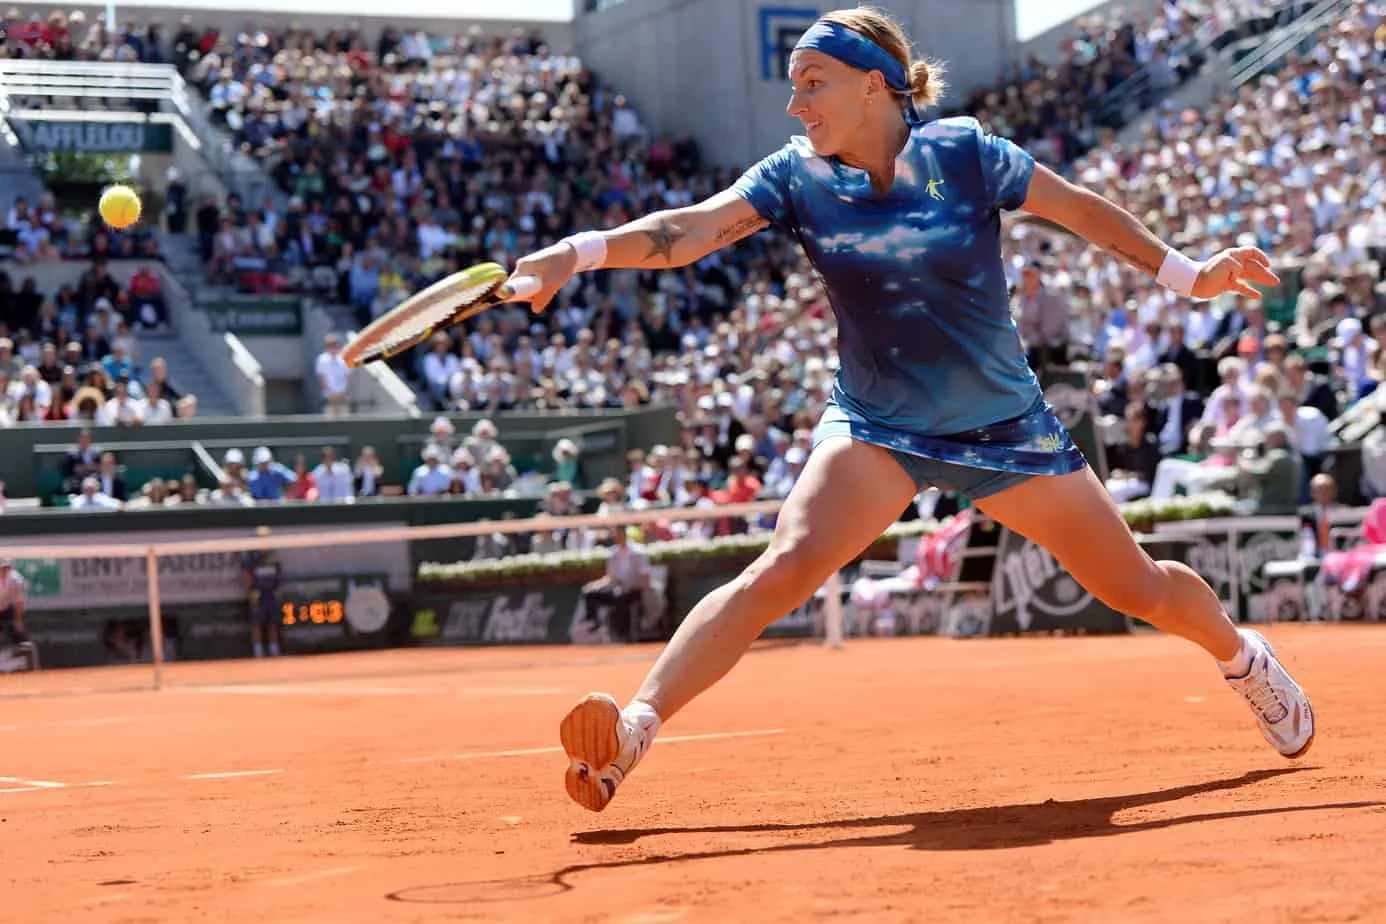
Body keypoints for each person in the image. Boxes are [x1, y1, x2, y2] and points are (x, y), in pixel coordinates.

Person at [506, 7, 1312, 813]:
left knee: (1136, 587)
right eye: (794, 89)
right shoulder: (794, 177)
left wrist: (1191, 275)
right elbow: (687, 232)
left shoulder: (964, 152)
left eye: (812, 85)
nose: (797, 106)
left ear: (874, 86)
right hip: (876, 425)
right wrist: (574, 254)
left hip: (1003, 426)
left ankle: (1242, 657)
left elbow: (1081, 210)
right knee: (782, 569)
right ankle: (631, 735)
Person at [241, 528, 283, 658]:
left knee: (273, 622)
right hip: (258, 595)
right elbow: (247, 575)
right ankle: (258, 651)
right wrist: (251, 592)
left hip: (271, 594)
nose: (264, 540)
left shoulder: (274, 556)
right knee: (257, 623)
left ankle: (274, 649)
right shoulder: (251, 556)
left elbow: (278, 574)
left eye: (266, 537)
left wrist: (277, 589)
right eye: (261, 537)